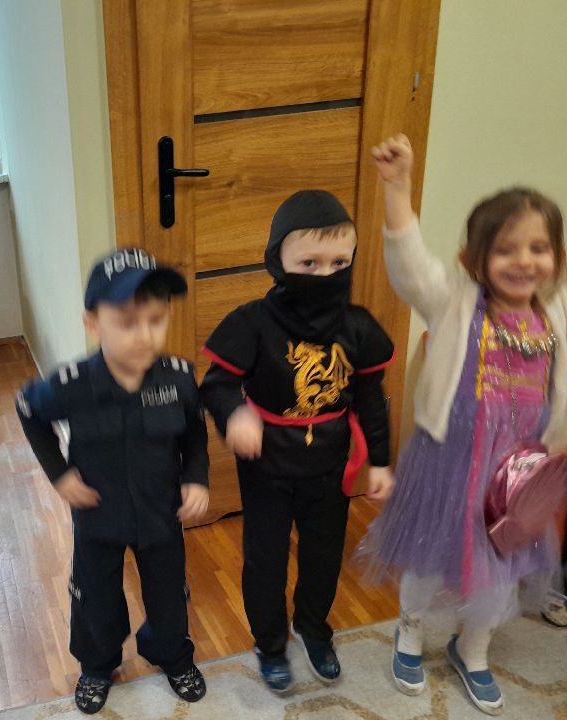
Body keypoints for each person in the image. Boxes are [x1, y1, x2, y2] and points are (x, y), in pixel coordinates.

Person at [363, 134, 567, 715]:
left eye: (539, 248)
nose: (524, 261)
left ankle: (472, 649)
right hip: (450, 462)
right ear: (473, 258)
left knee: (501, 570)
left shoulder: (557, 312)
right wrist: (397, 187)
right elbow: (409, 265)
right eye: (505, 249)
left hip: (519, 469)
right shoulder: (453, 301)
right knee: (430, 557)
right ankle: (409, 632)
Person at [200, 190, 395, 694]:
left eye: (339, 263)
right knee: (265, 560)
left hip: (329, 468)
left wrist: (379, 460)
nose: (325, 274)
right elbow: (217, 383)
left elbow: (371, 399)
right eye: (309, 263)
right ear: (278, 261)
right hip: (266, 468)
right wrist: (235, 413)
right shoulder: (252, 323)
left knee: (324, 556)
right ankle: (270, 644)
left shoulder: (357, 327)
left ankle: (313, 629)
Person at [16, 248, 209, 714]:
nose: (144, 335)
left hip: (161, 513)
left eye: (156, 320)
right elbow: (27, 409)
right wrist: (60, 473)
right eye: (126, 322)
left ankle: (172, 654)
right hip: (97, 515)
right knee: (95, 597)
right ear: (92, 323)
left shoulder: (179, 379)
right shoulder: (71, 385)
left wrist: (196, 478)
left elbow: (195, 432)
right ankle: (98, 665)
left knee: (168, 593)